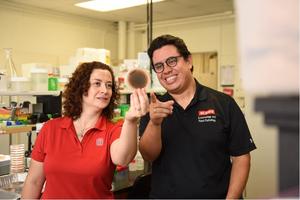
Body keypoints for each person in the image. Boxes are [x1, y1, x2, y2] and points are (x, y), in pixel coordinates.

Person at [139, 34, 257, 199]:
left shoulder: (223, 104)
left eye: (172, 61)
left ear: (188, 61)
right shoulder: (154, 107)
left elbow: (241, 157)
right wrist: (155, 123)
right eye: (158, 66)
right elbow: (148, 155)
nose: (166, 70)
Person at [21, 61, 149, 199]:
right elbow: (33, 182)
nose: (105, 90)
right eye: (97, 83)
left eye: (109, 85)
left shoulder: (113, 129)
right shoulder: (51, 128)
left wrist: (130, 121)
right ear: (82, 87)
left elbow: (122, 159)